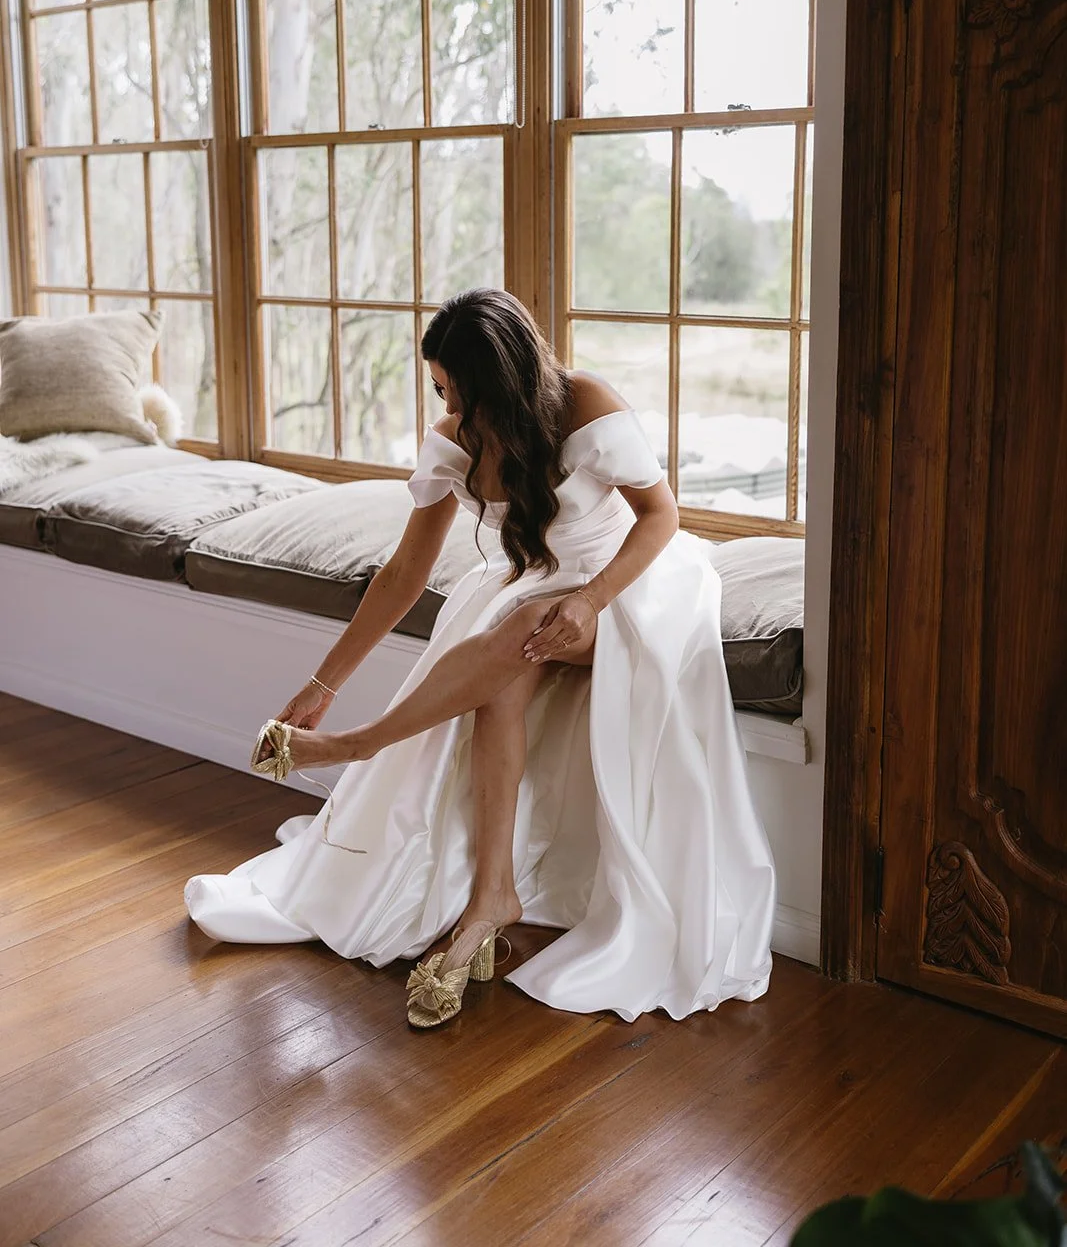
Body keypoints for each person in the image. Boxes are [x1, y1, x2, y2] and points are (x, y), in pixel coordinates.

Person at [184, 288, 776, 1027]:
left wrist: (588, 600)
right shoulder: (456, 440)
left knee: (524, 620)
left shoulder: (586, 404)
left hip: (635, 583)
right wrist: (321, 680)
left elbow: (661, 517)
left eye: (456, 390)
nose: (449, 408)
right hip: (538, 588)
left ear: (499, 379)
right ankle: (490, 899)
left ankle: (353, 747)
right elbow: (402, 575)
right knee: (508, 663)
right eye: (439, 390)